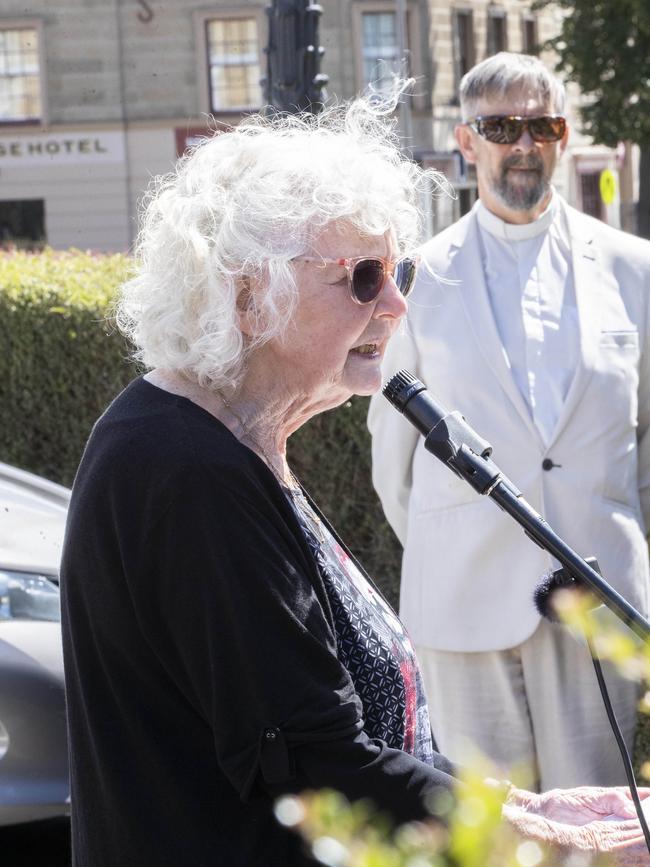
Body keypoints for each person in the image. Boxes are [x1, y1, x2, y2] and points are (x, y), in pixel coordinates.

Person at [60, 89, 650, 867]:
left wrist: (525, 804)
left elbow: (340, 733)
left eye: (398, 268)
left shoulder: (231, 440)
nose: (398, 302)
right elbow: (316, 759)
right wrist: (543, 837)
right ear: (247, 293)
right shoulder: (182, 471)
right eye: (365, 277)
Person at [368, 52, 650, 793]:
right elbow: (392, 463)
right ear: (467, 141)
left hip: (598, 604)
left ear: (562, 136)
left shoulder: (635, 269)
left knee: (602, 828)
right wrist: (458, 536)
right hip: (460, 607)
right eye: (501, 125)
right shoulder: (417, 278)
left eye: (541, 124)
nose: (522, 142)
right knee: (486, 831)